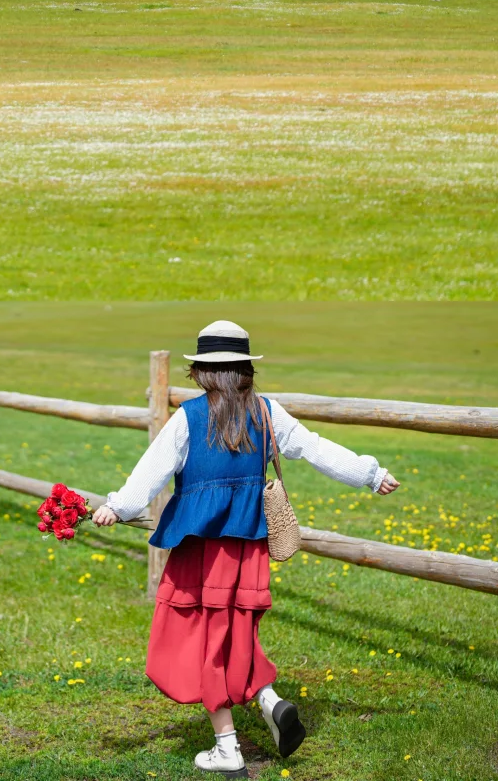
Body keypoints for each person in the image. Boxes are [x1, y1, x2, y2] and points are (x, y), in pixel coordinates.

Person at [93, 319, 400, 777]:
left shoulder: (188, 418)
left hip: (200, 551)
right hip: (249, 551)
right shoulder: (267, 414)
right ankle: (269, 700)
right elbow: (316, 449)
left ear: (201, 372)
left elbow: (150, 472)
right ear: (246, 371)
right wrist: (370, 474)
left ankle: (227, 747)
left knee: (202, 641)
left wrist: (117, 507)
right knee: (235, 634)